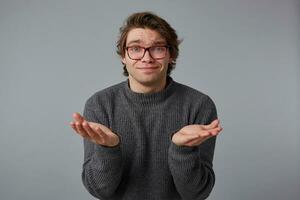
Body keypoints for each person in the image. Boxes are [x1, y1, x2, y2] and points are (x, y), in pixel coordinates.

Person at [70, 11, 223, 200]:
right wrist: (108, 148)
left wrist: (183, 150)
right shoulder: (100, 104)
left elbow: (197, 194)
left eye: (158, 48)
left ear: (171, 55)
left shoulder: (199, 105)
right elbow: (99, 191)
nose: (146, 58)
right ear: (123, 57)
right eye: (135, 48)